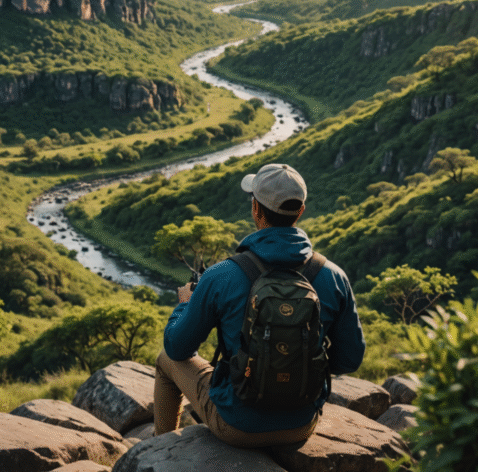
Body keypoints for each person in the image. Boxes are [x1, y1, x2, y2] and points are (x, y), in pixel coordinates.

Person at [154, 162, 366, 447]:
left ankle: (160, 450)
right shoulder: (332, 276)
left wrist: (184, 305)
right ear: (300, 211)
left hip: (236, 424)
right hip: (302, 425)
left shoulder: (221, 275)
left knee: (165, 360)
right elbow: (349, 360)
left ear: (256, 209)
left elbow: (178, 347)